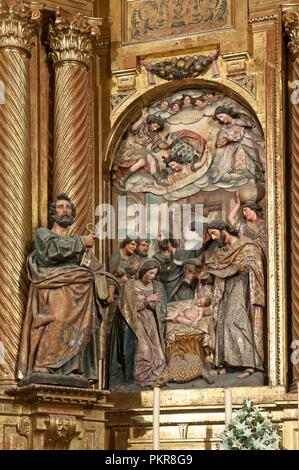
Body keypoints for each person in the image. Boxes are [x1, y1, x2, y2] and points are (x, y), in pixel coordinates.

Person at [17, 193, 105, 385]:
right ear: (53, 212)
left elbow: (96, 267)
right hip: (53, 288)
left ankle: (71, 367)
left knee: (78, 327)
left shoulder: (79, 243)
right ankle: (44, 362)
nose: (65, 210)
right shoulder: (43, 234)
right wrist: (81, 242)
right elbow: (49, 252)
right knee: (55, 319)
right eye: (60, 207)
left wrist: (110, 284)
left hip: (79, 297)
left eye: (68, 207)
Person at [205, 220, 265, 379]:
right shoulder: (221, 251)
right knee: (223, 322)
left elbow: (255, 264)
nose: (212, 237)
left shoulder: (247, 246)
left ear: (224, 230)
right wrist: (208, 274)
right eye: (211, 234)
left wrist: (244, 267)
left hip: (244, 287)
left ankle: (249, 363)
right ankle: (231, 363)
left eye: (214, 233)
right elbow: (218, 267)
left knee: (236, 320)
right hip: (226, 287)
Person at [109, 260, 167, 389]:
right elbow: (127, 307)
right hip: (135, 322)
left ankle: (155, 378)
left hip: (151, 322)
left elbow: (160, 307)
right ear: (143, 271)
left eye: (155, 274)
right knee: (144, 350)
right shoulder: (131, 285)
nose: (152, 276)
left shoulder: (157, 286)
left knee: (158, 353)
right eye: (150, 273)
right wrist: (147, 300)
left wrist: (145, 301)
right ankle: (142, 378)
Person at [210, 106, 265, 186]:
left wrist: (240, 113)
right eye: (219, 119)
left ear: (227, 113)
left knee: (255, 156)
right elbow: (219, 143)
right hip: (234, 146)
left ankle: (261, 174)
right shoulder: (224, 128)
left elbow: (251, 124)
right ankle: (221, 174)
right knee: (226, 158)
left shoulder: (238, 121)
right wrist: (227, 138)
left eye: (221, 116)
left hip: (248, 141)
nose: (221, 120)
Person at [113, 108, 165, 187]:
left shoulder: (155, 135)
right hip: (132, 149)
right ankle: (123, 178)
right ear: (150, 123)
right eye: (154, 126)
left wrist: (167, 143)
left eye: (157, 128)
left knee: (153, 162)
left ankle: (158, 180)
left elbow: (158, 146)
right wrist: (143, 118)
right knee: (142, 162)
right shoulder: (142, 126)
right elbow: (133, 129)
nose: (155, 129)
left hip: (143, 150)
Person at [227, 191, 267, 262]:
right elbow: (230, 218)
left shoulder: (265, 224)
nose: (244, 213)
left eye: (245, 210)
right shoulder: (244, 226)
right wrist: (238, 204)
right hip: (251, 258)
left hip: (265, 257)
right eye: (243, 211)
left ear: (253, 209)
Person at [107, 237, 140, 304]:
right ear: (126, 244)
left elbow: (136, 275)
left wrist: (132, 271)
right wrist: (129, 270)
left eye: (136, 245)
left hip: (128, 284)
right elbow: (112, 273)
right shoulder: (116, 255)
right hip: (115, 283)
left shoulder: (134, 257)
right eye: (132, 244)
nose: (134, 247)